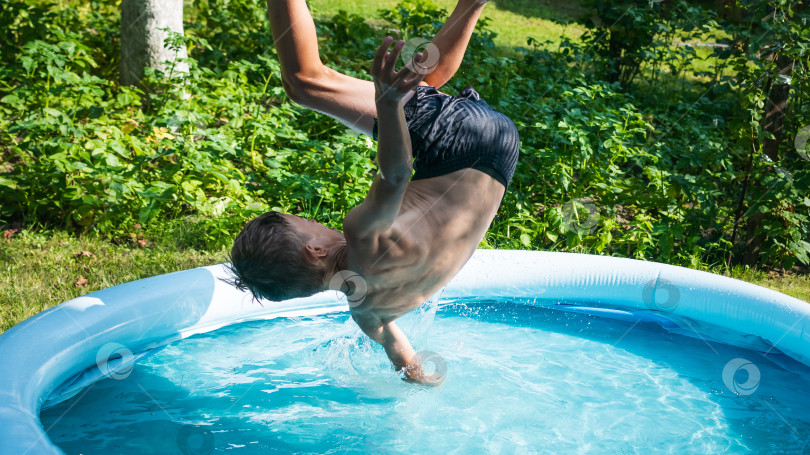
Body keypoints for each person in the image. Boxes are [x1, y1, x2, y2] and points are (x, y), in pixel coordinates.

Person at [228, 0, 519, 385]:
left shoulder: (366, 311)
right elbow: (396, 174)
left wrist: (418, 375)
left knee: (420, 90)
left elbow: (399, 352)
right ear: (313, 250)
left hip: (500, 157)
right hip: (464, 142)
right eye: (307, 222)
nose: (317, 219)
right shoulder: (361, 233)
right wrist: (387, 103)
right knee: (304, 82)